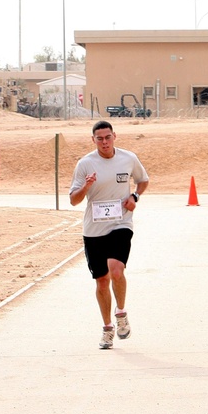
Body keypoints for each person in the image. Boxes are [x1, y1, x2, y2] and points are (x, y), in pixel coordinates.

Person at [70, 120, 149, 349]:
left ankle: (121, 313)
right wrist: (86, 186)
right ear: (93, 140)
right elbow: (74, 200)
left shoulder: (128, 158)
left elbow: (143, 180)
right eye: (99, 138)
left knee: (116, 269)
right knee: (102, 281)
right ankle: (107, 329)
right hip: (94, 230)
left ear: (115, 136)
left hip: (120, 223)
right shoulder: (85, 164)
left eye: (108, 137)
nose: (104, 142)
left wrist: (134, 197)